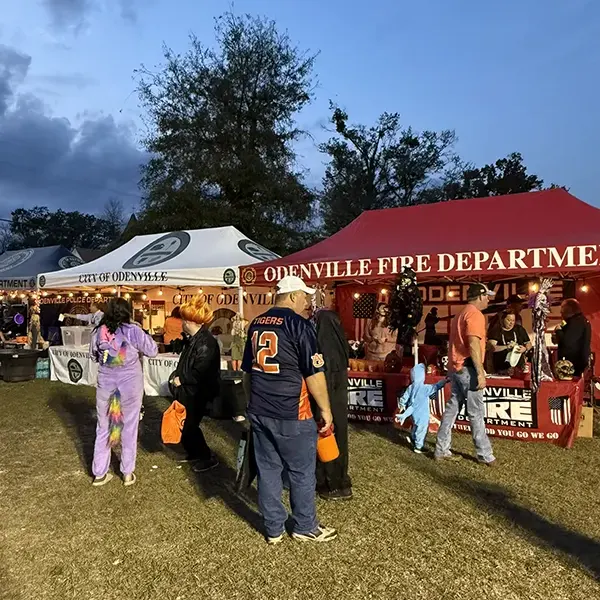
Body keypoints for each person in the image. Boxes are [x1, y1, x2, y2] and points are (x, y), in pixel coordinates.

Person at [242, 275, 337, 544]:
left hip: (260, 408)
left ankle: (273, 528)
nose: (307, 301)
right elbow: (314, 373)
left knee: (268, 469)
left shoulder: (257, 323)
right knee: (301, 471)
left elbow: (247, 372)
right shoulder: (299, 324)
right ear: (293, 296)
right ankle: (305, 525)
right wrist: (326, 409)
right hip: (292, 410)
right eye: (305, 296)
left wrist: (252, 402)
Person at [89, 298, 158, 486]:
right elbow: (152, 350)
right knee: (129, 426)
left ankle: (99, 473)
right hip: (130, 385)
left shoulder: (98, 331)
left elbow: (94, 356)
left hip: (106, 383)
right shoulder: (133, 331)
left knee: (103, 426)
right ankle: (127, 472)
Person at [434, 283, 496, 466]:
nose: (489, 300)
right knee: (476, 412)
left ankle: (441, 449)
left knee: (452, 409)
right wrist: (480, 372)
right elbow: (473, 344)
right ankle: (484, 454)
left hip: (457, 367)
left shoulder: (461, 313)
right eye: (487, 296)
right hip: (468, 368)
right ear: (480, 296)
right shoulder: (475, 315)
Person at [172, 295, 221, 472]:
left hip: (199, 391)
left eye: (184, 320)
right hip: (189, 390)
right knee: (186, 424)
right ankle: (193, 453)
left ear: (189, 321)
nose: (182, 323)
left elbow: (202, 372)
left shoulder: (206, 343)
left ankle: (206, 456)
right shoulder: (193, 339)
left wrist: (181, 379)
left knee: (190, 426)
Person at [314, 308, 352, 501]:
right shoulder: (340, 347)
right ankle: (340, 479)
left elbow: (322, 377)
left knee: (326, 438)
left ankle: (329, 483)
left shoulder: (323, 347)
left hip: (326, 402)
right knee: (340, 439)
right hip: (338, 402)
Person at [396, 364, 448, 453]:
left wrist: (402, 405)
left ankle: (413, 438)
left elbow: (404, 397)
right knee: (421, 429)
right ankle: (418, 447)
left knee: (416, 425)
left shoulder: (410, 387)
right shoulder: (424, 388)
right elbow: (435, 387)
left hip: (413, 412)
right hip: (422, 414)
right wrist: (444, 381)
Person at [552, 299, 591, 377]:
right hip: (574, 363)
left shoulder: (576, 322)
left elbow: (567, 342)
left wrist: (559, 331)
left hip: (572, 365)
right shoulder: (576, 321)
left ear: (569, 309)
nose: (561, 312)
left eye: (562, 308)